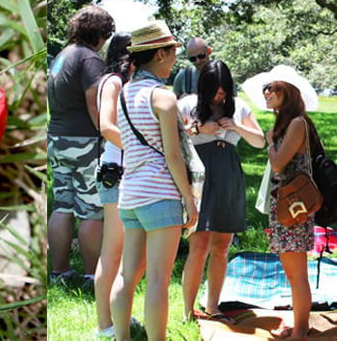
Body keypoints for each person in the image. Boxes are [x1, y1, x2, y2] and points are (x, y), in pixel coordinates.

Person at [109, 20, 198, 341]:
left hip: (129, 193)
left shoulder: (123, 92)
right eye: (173, 52)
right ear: (160, 54)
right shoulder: (162, 97)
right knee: (159, 279)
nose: (175, 58)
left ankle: (120, 337)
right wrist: (189, 200)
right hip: (160, 193)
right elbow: (173, 156)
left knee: (127, 274)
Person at [178, 60, 265, 324]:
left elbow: (259, 141)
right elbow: (169, 135)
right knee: (199, 245)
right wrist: (197, 128)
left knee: (222, 247)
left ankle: (213, 306)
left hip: (228, 176)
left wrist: (236, 126)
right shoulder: (187, 105)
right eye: (214, 90)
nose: (219, 95)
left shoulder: (239, 108)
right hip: (199, 177)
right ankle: (187, 310)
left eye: (223, 89)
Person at [242, 66, 319, 339]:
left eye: (274, 88)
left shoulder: (297, 123)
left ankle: (300, 330)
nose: (267, 92)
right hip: (285, 206)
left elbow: (277, 164)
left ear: (289, 92)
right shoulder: (286, 124)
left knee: (297, 273)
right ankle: (300, 324)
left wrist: (271, 142)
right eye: (266, 88)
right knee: (291, 271)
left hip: (294, 209)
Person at [47, 5, 115, 287]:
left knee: (62, 205)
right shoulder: (90, 59)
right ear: (98, 32)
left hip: (56, 138)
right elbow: (93, 101)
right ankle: (91, 275)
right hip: (84, 141)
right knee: (91, 210)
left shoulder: (61, 57)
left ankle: (59, 271)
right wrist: (105, 131)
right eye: (106, 34)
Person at [93, 32, 133, 337]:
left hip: (123, 170)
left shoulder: (120, 83)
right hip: (116, 172)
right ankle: (104, 324)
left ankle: (116, 318)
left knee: (121, 252)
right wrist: (139, 147)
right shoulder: (114, 83)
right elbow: (106, 126)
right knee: (112, 251)